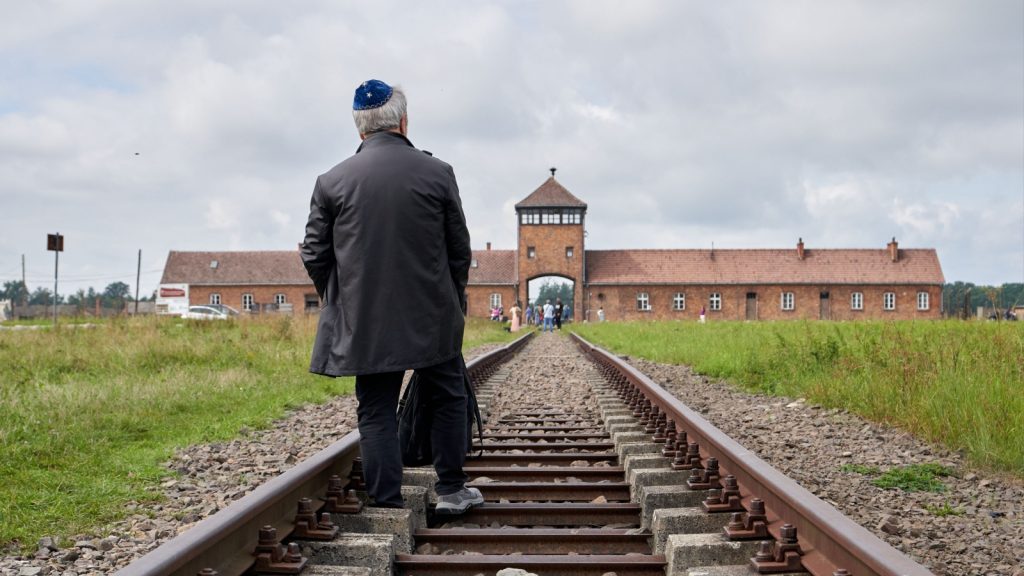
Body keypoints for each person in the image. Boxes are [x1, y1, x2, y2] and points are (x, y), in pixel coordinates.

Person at [301, 79, 482, 515]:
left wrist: (341, 299)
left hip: (366, 319)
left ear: (359, 129)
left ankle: (387, 502)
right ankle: (453, 490)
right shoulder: (437, 173)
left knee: (376, 406)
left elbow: (313, 252)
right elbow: (459, 250)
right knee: (448, 395)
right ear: (403, 120)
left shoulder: (332, 182)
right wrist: (452, 299)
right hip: (431, 313)